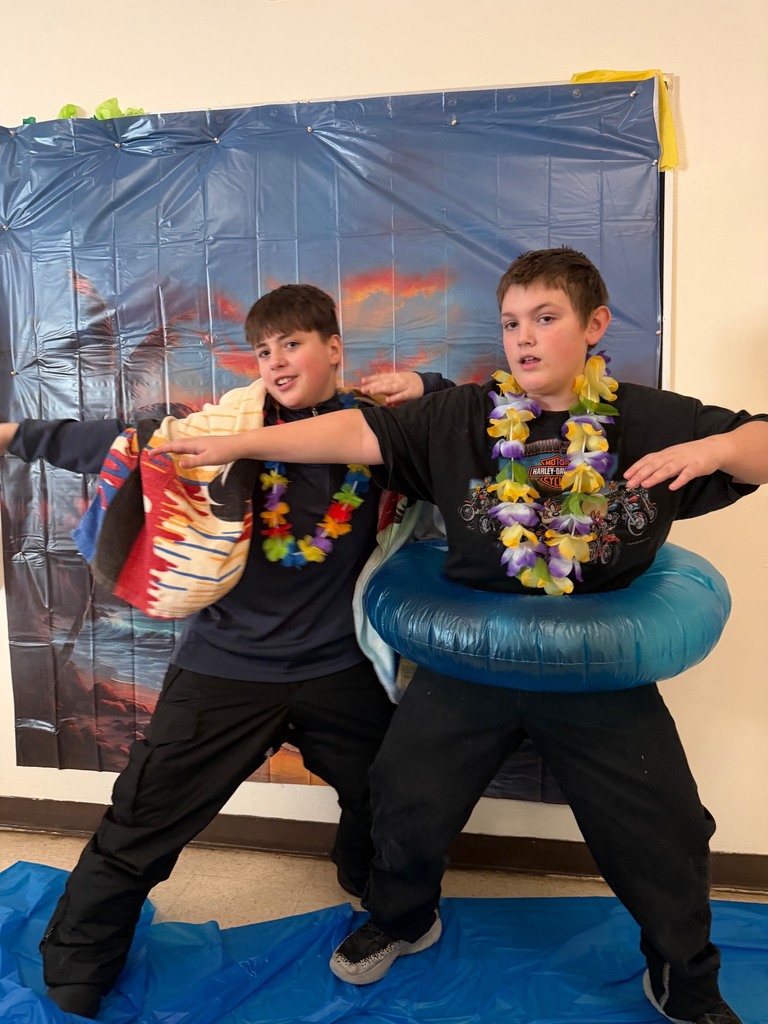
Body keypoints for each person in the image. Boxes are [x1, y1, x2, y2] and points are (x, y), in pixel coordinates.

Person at [156, 249, 768, 1024]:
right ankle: (404, 919)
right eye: (512, 322)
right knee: (403, 800)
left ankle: (683, 972)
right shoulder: (463, 416)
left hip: (597, 673)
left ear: (595, 325)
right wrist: (242, 444)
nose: (524, 338)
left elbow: (763, 441)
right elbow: (355, 433)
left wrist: (714, 449)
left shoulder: (648, 418)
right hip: (470, 664)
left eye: (546, 318)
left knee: (665, 827)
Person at [0, 283, 452, 1019]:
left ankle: (372, 886)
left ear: (335, 348)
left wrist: (427, 384)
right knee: (142, 821)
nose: (276, 361)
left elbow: (479, 423)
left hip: (339, 667)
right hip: (225, 670)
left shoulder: (381, 434)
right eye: (265, 350)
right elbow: (104, 442)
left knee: (393, 795)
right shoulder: (214, 433)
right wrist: (10, 434)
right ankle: (79, 963)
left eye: (294, 344)